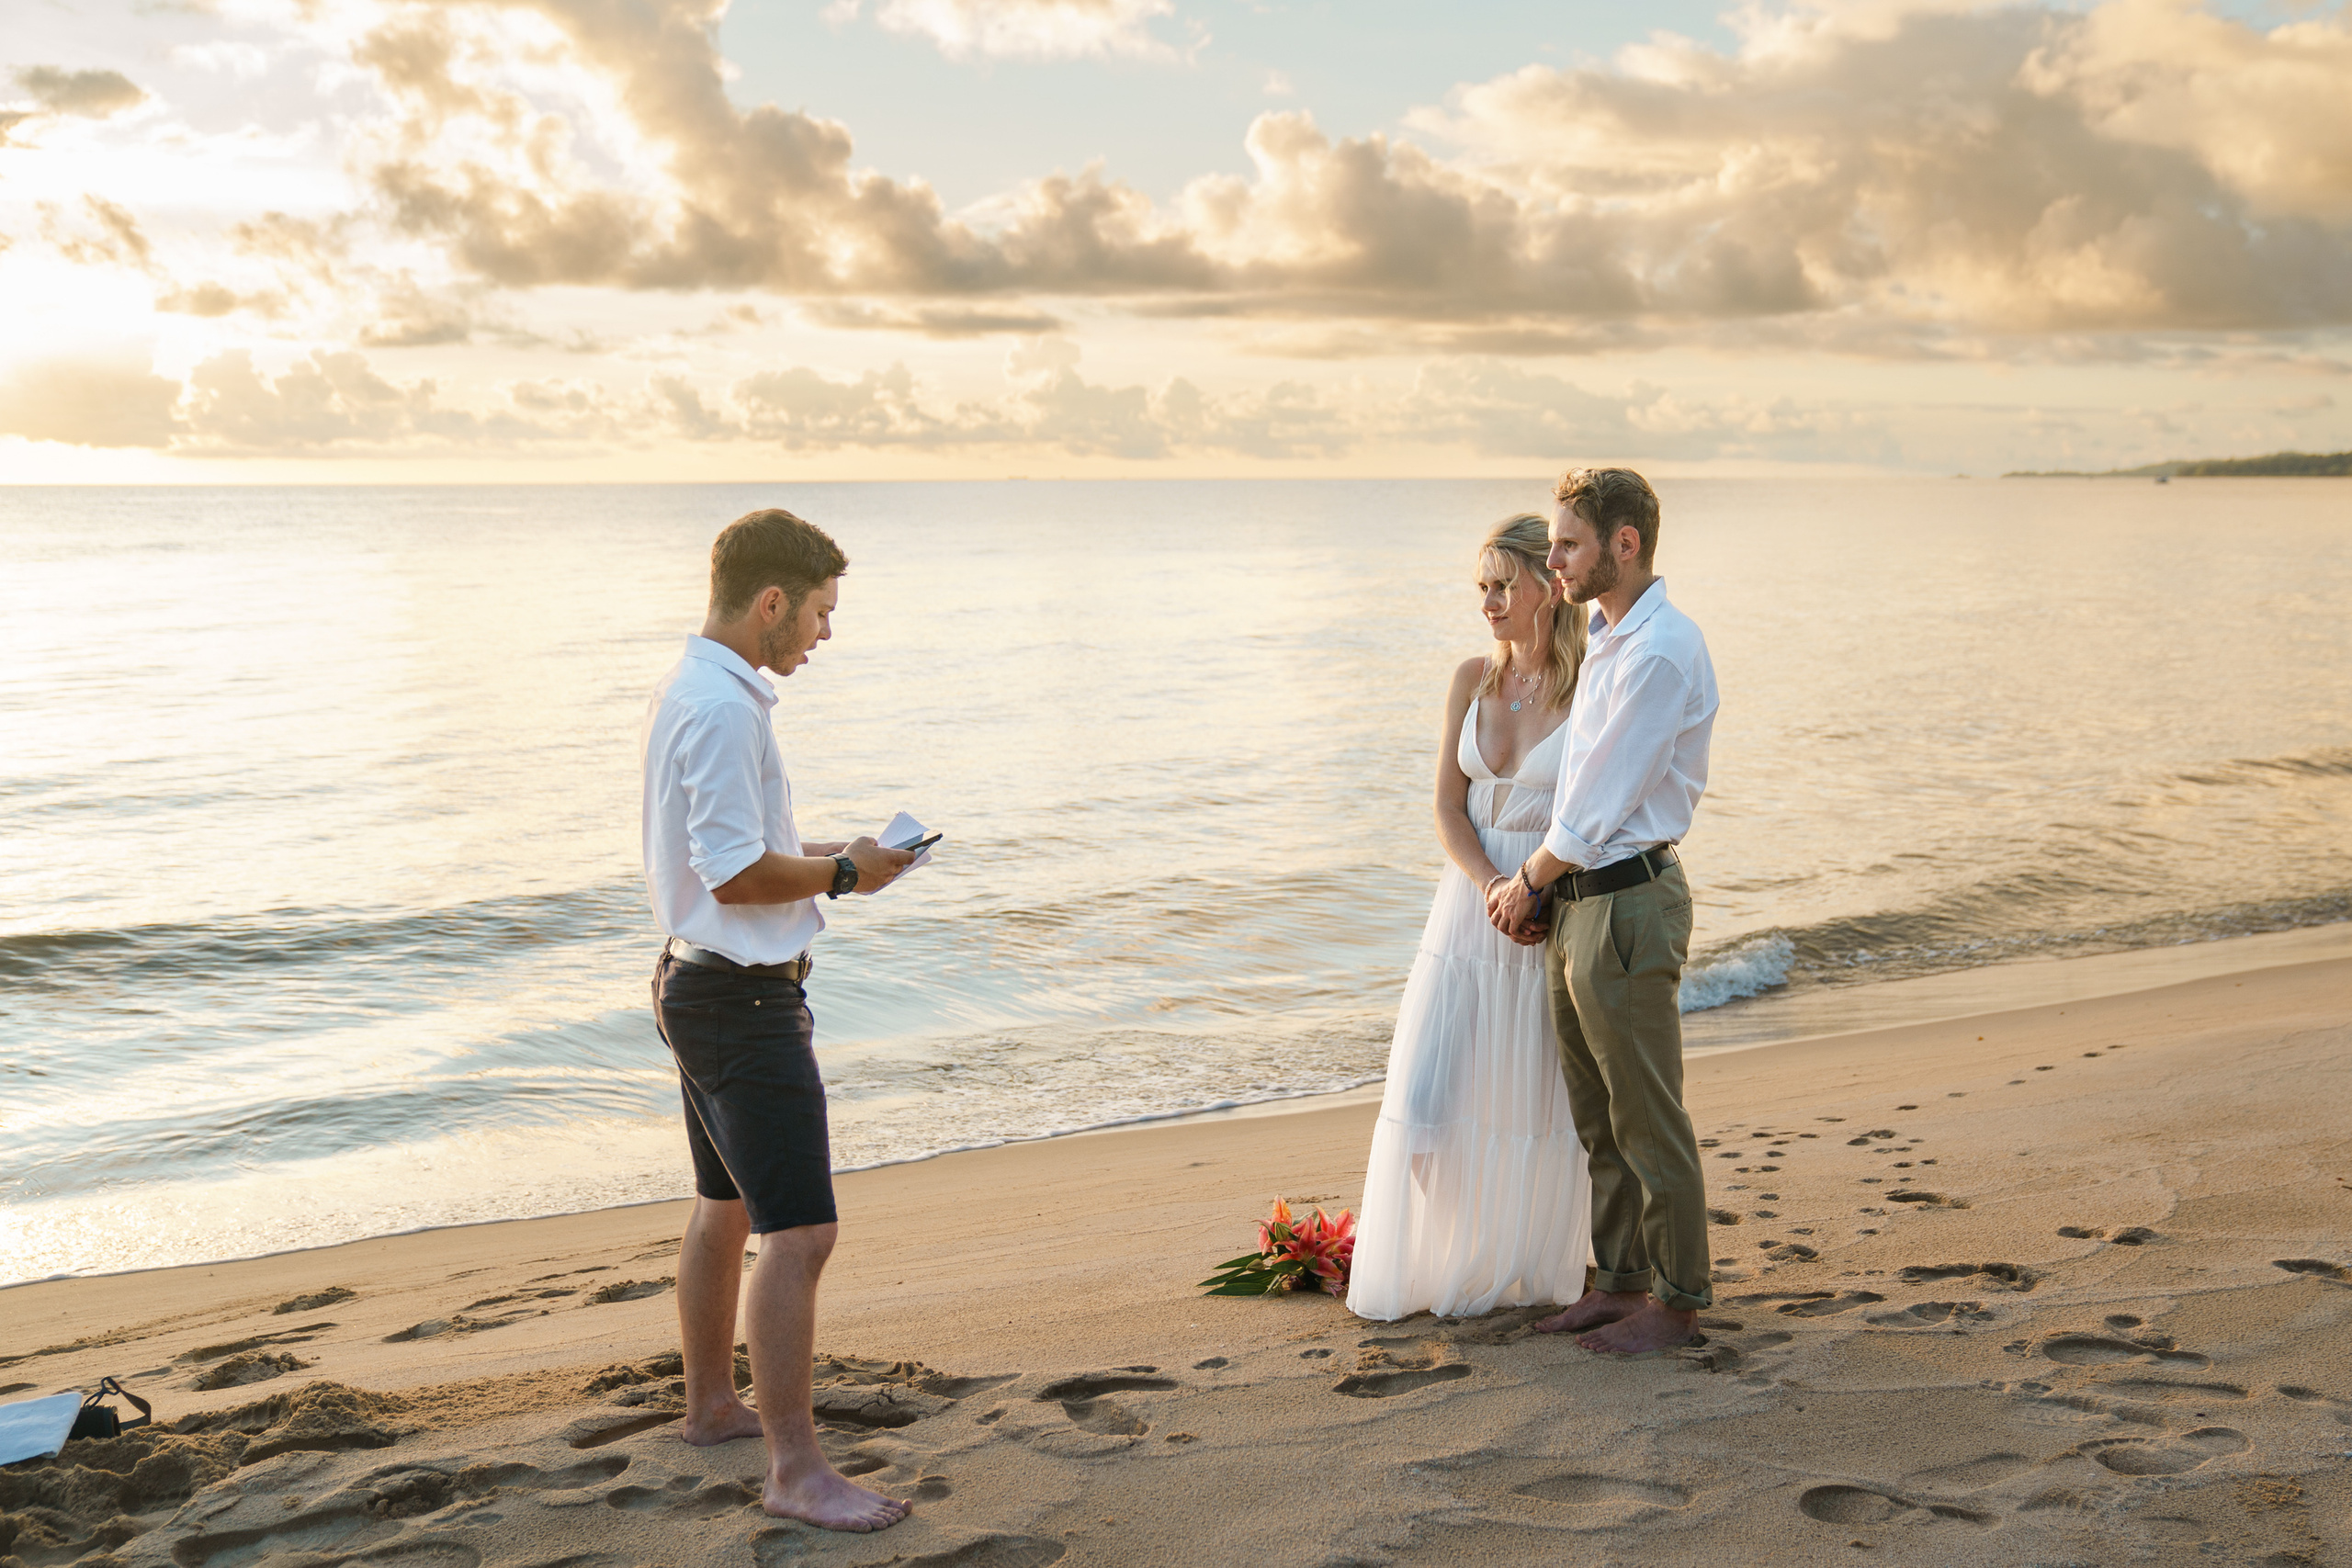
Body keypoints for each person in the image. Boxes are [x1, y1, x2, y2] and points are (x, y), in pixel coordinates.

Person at [639, 506, 919, 1532]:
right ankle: (796, 1472)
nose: (824, 633)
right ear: (770, 603)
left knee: (723, 1205)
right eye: (818, 612)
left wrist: (842, 859)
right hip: (739, 1001)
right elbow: (736, 874)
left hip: (697, 980)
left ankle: (713, 1406)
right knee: (799, 1234)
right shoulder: (722, 708)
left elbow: (739, 851)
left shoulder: (696, 687)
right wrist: (844, 873)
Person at [1485, 468, 1718, 1355]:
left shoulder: (1660, 651)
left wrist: (1526, 880)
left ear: (1625, 543)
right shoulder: (1613, 639)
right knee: (1600, 1118)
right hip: (1582, 902)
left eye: (1569, 544)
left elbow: (1599, 806)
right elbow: (1577, 788)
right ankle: (1620, 1282)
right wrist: (1548, 888)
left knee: (1648, 1115)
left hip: (1626, 899)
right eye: (1553, 543)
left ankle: (1678, 1304)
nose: (1555, 561)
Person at [1348, 514, 1593, 1322]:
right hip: (1467, 914)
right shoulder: (1470, 679)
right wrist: (1493, 884)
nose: (1487, 602)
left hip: (1547, 911)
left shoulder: (1590, 684)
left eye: (1502, 585)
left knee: (1534, 1103)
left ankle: (1527, 1260)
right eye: (1482, 586)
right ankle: (1464, 1251)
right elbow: (1448, 809)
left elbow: (1595, 809)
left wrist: (1531, 888)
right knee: (1425, 1102)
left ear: (1547, 588)